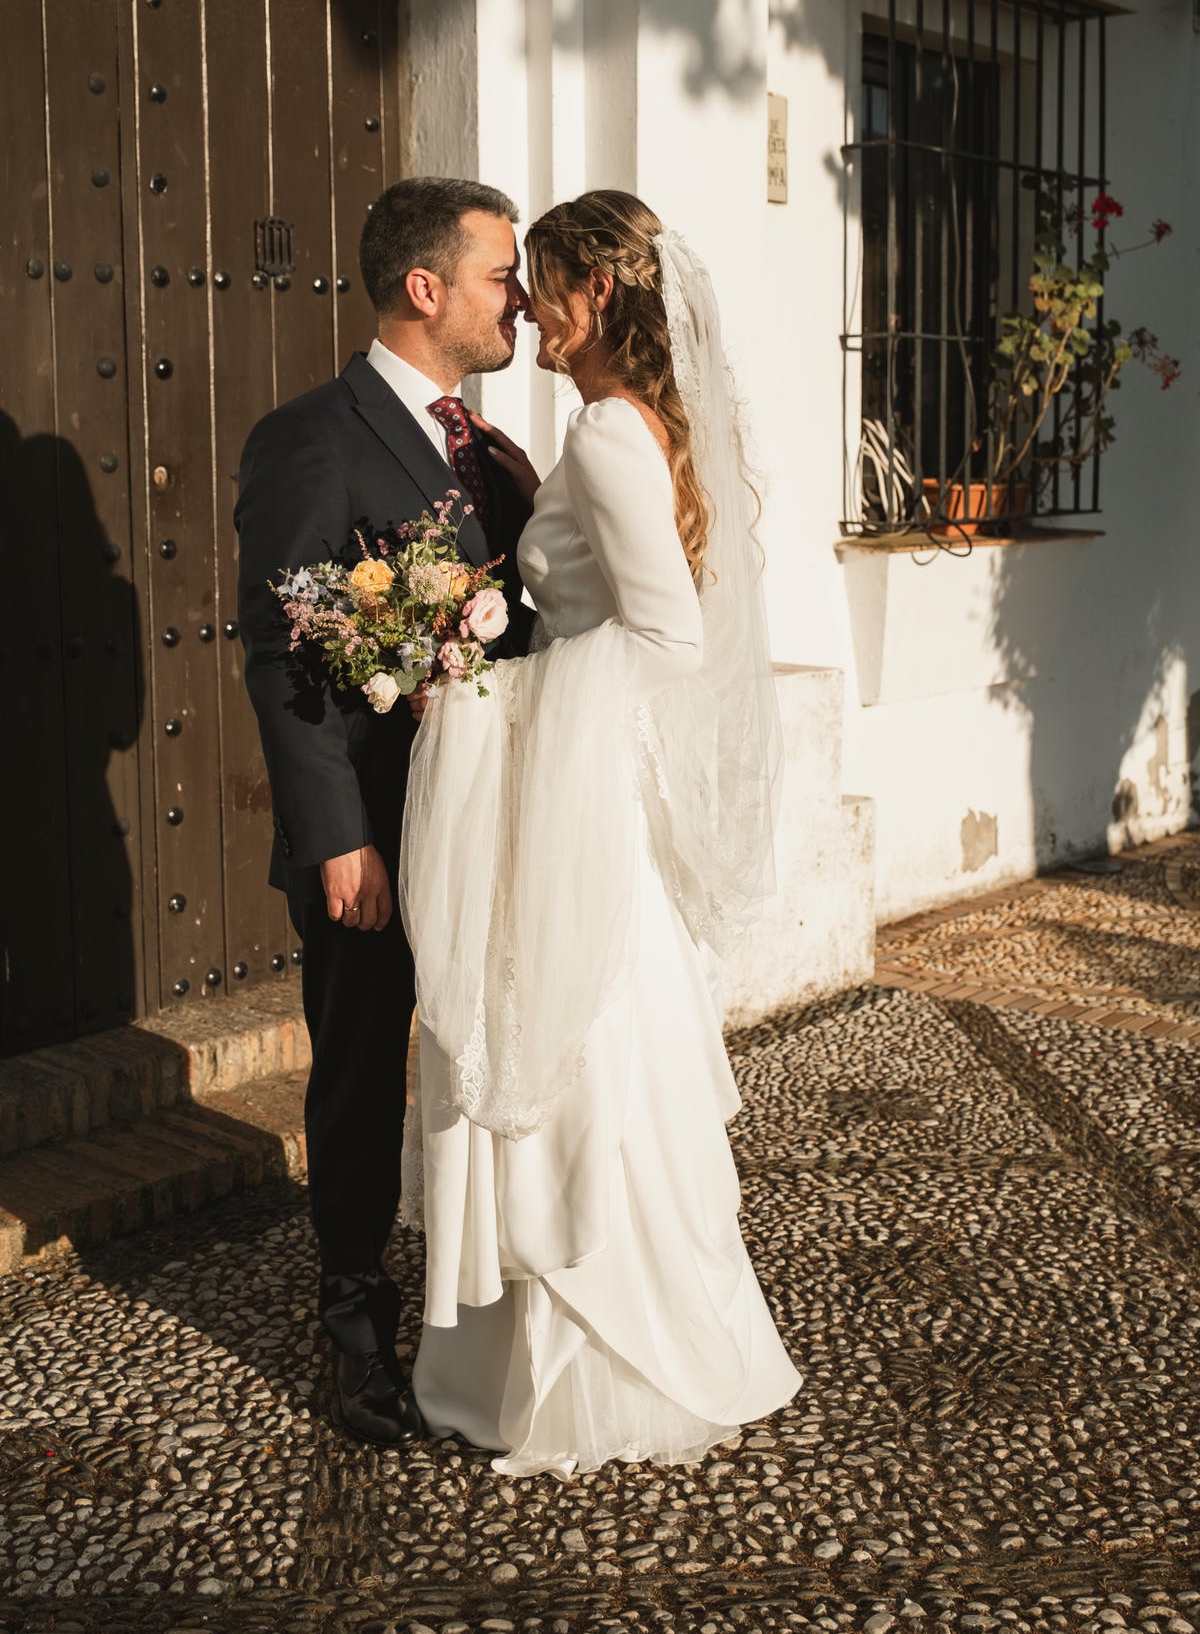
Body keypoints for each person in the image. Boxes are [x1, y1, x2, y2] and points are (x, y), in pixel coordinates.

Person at [401, 189, 801, 1477]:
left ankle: (599, 1362)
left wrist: (506, 695)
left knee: (580, 1047)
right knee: (590, 1047)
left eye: (547, 281)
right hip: (582, 792)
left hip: (575, 792)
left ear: (602, 293)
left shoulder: (613, 430)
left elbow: (666, 635)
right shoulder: (618, 425)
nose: (527, 303)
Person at [235, 177, 533, 1448]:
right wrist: (337, 835)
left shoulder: (495, 453)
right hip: (376, 832)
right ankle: (354, 1317)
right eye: (499, 275)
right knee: (361, 1072)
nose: (518, 298)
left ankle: (487, 1303)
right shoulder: (310, 436)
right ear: (426, 287)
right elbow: (283, 650)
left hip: (494, 826)